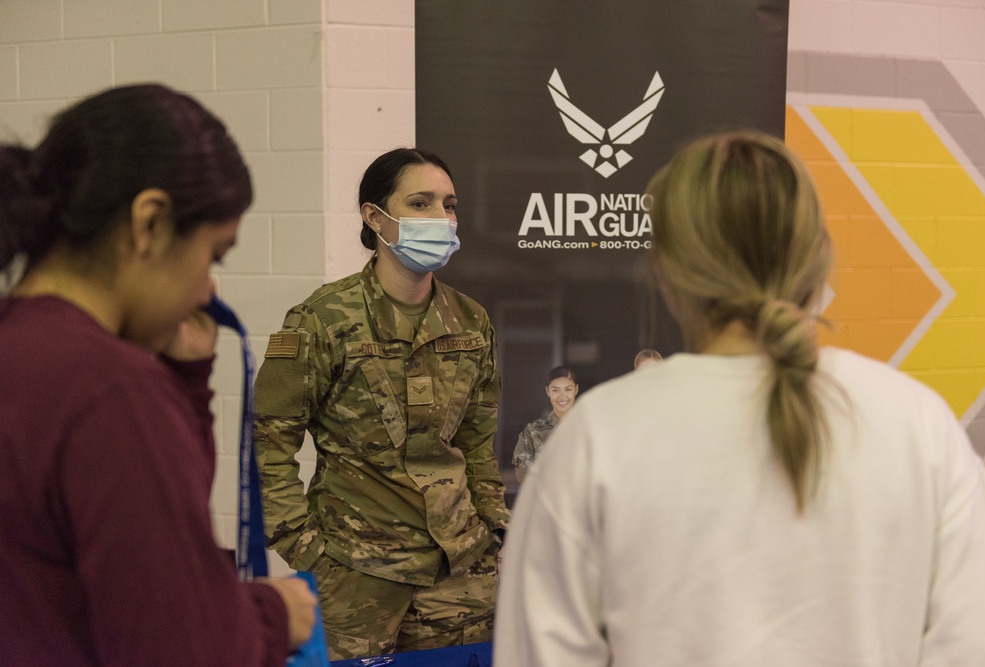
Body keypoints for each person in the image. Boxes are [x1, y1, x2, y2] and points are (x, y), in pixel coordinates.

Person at [494, 131, 985, 665]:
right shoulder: (918, 425)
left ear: (665, 275)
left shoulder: (592, 441)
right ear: (818, 260)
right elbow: (974, 648)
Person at [0, 84, 317, 667]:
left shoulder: (24, 348)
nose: (206, 290)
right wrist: (274, 616)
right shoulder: (107, 390)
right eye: (214, 256)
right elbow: (184, 647)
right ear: (149, 223)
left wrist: (188, 381)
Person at [254, 147, 510, 660]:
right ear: (375, 217)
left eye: (449, 204)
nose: (441, 218)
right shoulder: (322, 319)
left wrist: (495, 532)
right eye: (420, 203)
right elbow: (268, 445)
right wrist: (308, 551)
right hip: (355, 574)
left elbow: (477, 446)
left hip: (460, 573)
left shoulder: (471, 321)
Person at [511, 366, 578, 482]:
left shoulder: (592, 427)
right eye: (555, 390)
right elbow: (523, 477)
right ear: (548, 391)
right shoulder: (532, 432)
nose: (562, 396)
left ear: (576, 389)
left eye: (568, 389)